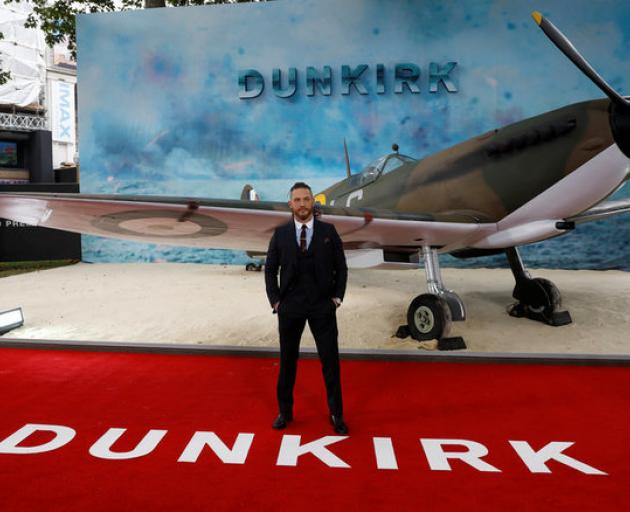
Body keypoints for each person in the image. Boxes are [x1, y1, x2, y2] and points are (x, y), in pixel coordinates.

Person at [265, 182, 348, 434]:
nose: (302, 204)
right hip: (290, 307)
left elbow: (341, 267)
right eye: (297, 200)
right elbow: (270, 269)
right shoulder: (280, 235)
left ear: (313, 202)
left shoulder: (329, 231)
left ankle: (337, 415)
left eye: (306, 199)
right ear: (290, 204)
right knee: (287, 361)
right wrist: (276, 301)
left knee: (330, 362)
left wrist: (336, 298)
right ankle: (285, 412)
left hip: (322, 306)